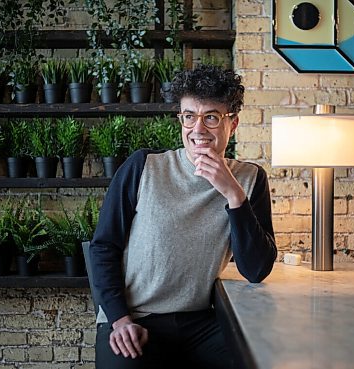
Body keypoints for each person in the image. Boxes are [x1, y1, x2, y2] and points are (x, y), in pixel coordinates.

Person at [89, 64, 277, 369]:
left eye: (211, 117)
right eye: (189, 116)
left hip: (202, 322)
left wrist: (234, 195)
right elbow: (103, 247)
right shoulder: (144, 167)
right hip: (135, 317)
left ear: (234, 123)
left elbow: (256, 270)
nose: (198, 129)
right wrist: (119, 320)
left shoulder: (249, 179)